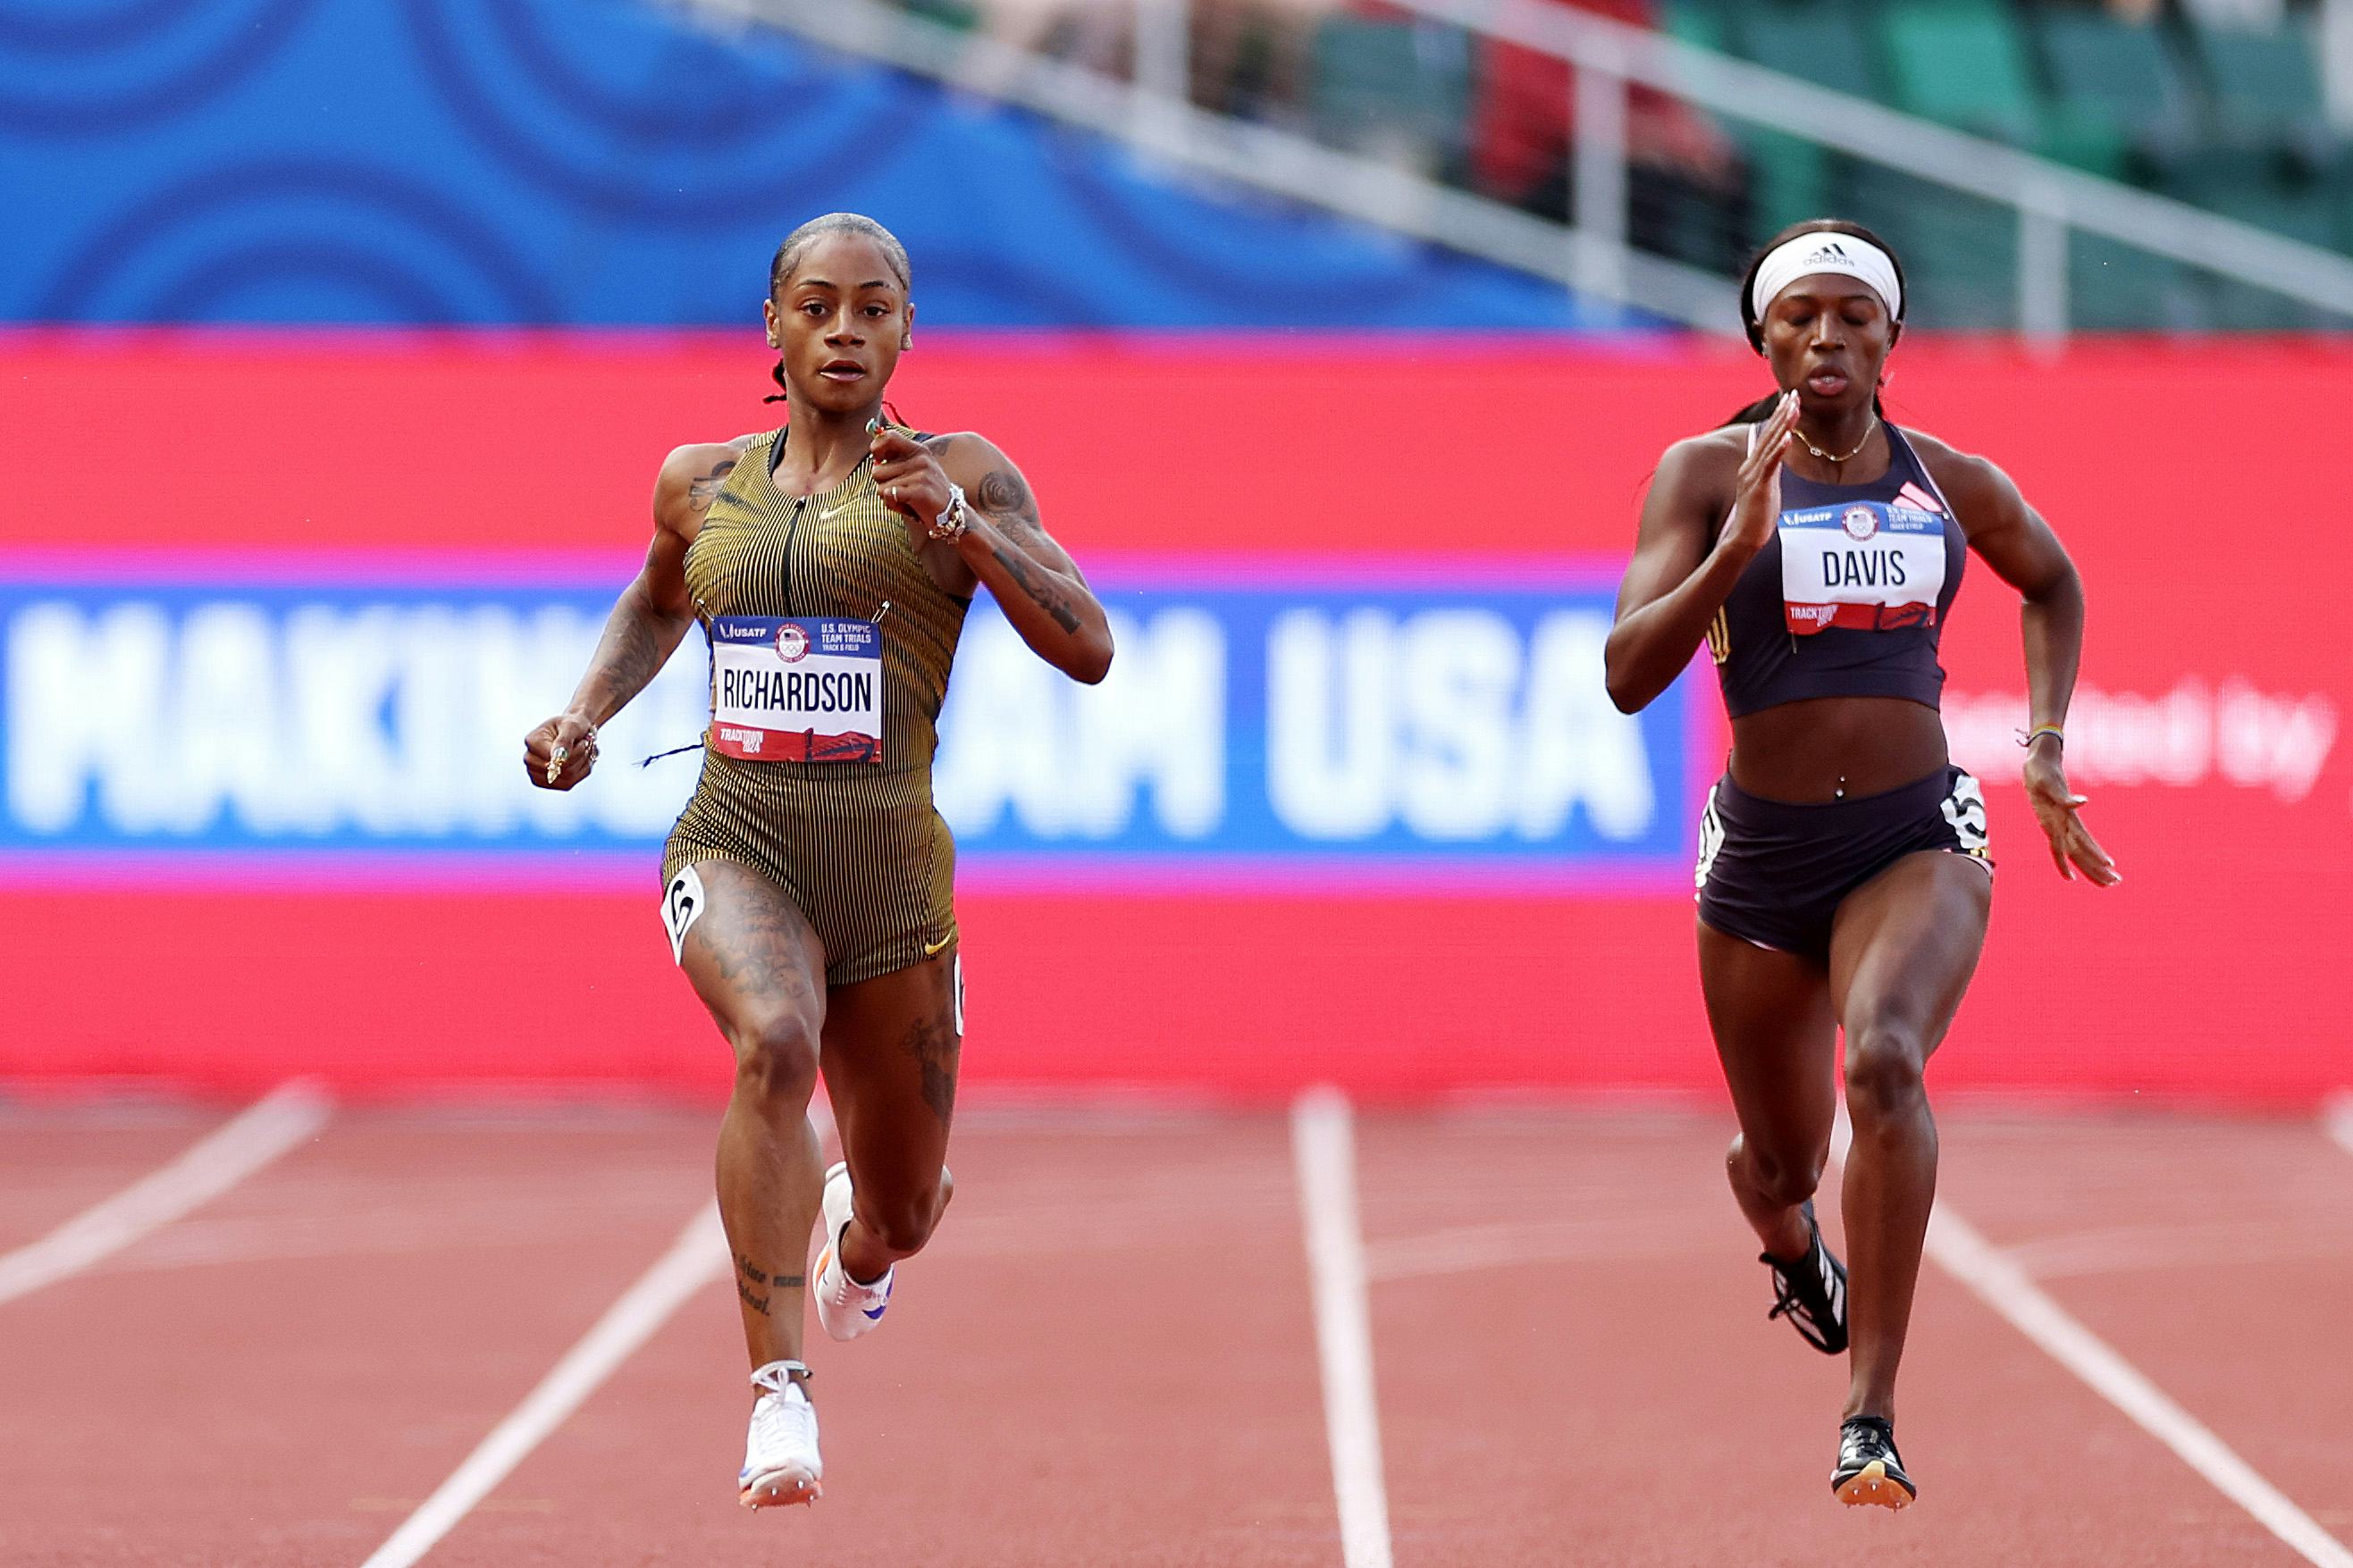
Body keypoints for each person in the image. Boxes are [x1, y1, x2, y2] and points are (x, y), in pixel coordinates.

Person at [523, 212, 1113, 1509]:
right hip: (738, 837)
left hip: (890, 874)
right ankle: (776, 1396)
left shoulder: (960, 470)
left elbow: (1088, 643)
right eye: (818, 306)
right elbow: (658, 599)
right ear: (775, 328)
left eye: (873, 308)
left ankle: (858, 1249)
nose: (845, 328)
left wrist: (961, 524)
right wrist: (584, 716)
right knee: (773, 1045)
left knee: (907, 1209)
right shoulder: (700, 480)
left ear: (907, 330)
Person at [1604, 219, 2116, 1510]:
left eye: (1852, 317)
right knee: (1780, 1164)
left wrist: (2043, 746)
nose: (1825, 336)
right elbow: (1623, 675)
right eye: (1799, 318)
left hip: (1912, 833)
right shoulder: (1704, 473)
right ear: (1761, 338)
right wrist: (1730, 555)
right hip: (1764, 857)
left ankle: (1868, 1414)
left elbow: (2051, 580)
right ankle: (1787, 1240)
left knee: (1883, 1056)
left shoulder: (1950, 481)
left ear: (1891, 341)